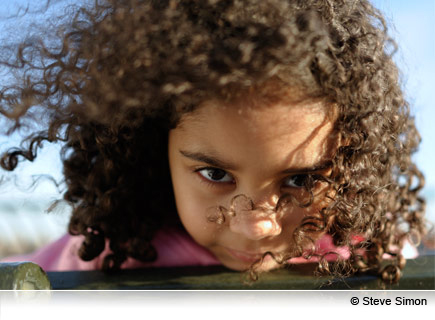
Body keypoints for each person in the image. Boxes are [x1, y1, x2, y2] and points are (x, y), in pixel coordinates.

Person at [0, 0, 427, 284]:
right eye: (215, 173)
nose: (256, 226)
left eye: (300, 180)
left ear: (349, 159)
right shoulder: (97, 258)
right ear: (151, 146)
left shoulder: (371, 259)